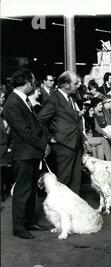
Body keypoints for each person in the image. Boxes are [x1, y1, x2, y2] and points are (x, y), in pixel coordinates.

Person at [2, 69, 50, 239]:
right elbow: (24, 131)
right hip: (24, 154)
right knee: (23, 191)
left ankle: (29, 222)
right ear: (28, 83)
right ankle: (19, 227)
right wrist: (43, 145)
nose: (35, 84)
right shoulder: (12, 103)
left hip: (31, 152)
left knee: (31, 190)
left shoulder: (21, 100)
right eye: (34, 81)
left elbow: (34, 127)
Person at [38, 71, 86, 194]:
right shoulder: (53, 99)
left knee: (76, 178)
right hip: (63, 145)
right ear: (66, 85)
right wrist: (50, 138)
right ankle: (59, 208)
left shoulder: (71, 97)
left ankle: (74, 206)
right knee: (64, 178)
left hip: (75, 142)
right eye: (75, 83)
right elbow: (40, 120)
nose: (78, 85)